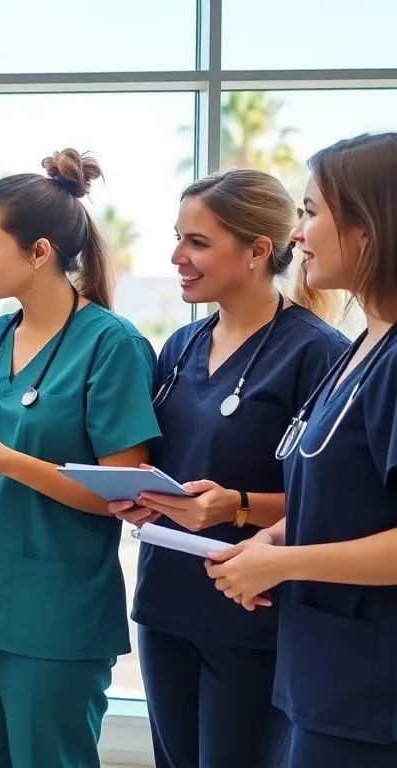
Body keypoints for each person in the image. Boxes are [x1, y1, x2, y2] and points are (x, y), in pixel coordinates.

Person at [0, 150, 162, 768]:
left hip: (55, 613)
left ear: (39, 252)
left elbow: (126, 492)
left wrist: (12, 462)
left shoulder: (112, 345)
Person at [112, 170, 349, 768]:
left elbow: (335, 502)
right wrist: (139, 496)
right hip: (166, 603)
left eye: (197, 242)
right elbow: (170, 464)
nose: (177, 257)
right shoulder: (181, 347)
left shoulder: (317, 352)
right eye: (177, 238)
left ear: (257, 250)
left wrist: (237, 506)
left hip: (251, 613)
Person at [207, 132, 397, 766]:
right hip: (321, 671)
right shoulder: (360, 349)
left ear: (368, 227)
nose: (298, 234)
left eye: (311, 213)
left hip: (370, 690)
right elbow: (344, 500)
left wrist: (286, 563)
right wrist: (272, 538)